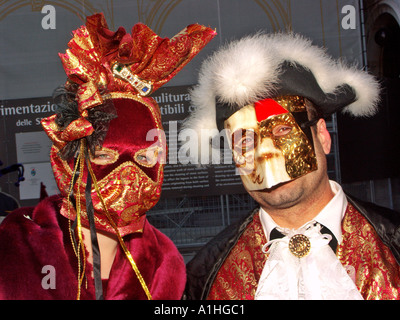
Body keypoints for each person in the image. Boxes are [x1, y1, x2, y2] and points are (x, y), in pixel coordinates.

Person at [0, 13, 215, 300]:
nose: (128, 178)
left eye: (145, 159)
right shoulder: (14, 249)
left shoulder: (165, 263)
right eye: (103, 156)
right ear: (67, 163)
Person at [183, 32, 400, 300]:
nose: (265, 155)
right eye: (244, 141)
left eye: (283, 130)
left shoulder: (395, 247)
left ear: (322, 136)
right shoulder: (203, 277)